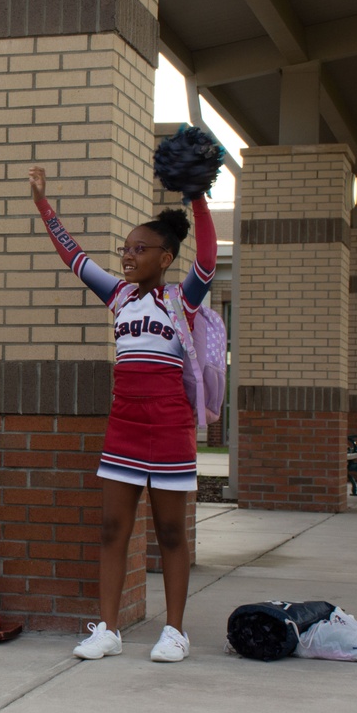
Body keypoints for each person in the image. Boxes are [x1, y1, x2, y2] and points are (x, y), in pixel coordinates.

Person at [28, 166, 216, 663]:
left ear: (165, 258)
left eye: (138, 249)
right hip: (124, 427)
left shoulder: (183, 301)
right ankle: (107, 628)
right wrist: (43, 206)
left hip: (171, 427)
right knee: (113, 529)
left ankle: (174, 632)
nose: (128, 256)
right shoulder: (118, 295)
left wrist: (197, 198)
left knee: (172, 533)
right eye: (125, 250)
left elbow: (210, 259)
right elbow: (74, 256)